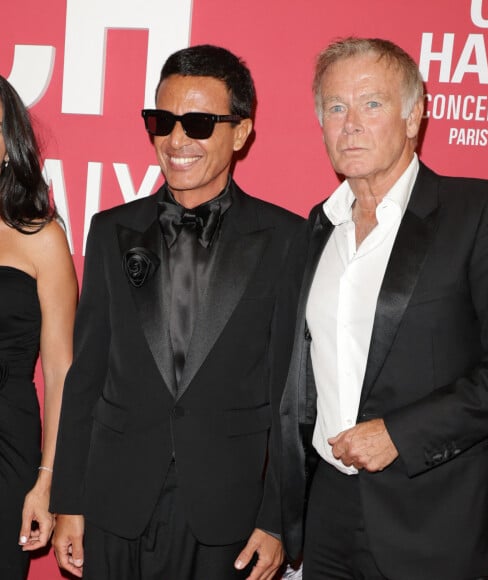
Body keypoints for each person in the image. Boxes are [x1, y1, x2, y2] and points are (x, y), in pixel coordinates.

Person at [274, 38, 488, 579]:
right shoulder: (316, 228)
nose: (350, 123)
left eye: (371, 103)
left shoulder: (482, 212)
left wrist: (399, 435)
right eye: (335, 108)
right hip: (327, 514)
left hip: (437, 515)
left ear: (414, 118)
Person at [50, 44, 302, 580]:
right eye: (162, 121)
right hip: (114, 503)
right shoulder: (110, 229)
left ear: (241, 131)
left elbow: (290, 395)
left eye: (199, 123)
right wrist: (68, 498)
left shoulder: (286, 239)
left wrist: (277, 519)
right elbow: (86, 373)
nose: (176, 140)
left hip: (226, 512)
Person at [0, 75, 77, 579]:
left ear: (9, 144)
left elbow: (60, 370)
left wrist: (48, 481)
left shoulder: (41, 238)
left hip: (6, 441)